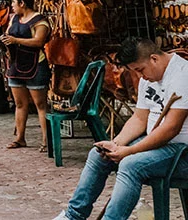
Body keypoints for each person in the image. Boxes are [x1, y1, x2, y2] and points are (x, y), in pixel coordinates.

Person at [51, 38, 188, 220]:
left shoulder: (182, 75)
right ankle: (73, 216)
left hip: (182, 152)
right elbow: (139, 118)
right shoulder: (148, 77)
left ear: (154, 59)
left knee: (130, 165)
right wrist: (116, 144)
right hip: (157, 145)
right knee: (98, 155)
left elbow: (171, 129)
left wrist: (130, 151)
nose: (140, 77)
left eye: (140, 70)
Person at [0, 0, 51, 151]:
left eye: (14, 2)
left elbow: (39, 41)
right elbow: (9, 34)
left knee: (40, 104)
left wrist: (16, 41)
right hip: (16, 64)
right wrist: (6, 41)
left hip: (35, 64)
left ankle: (47, 141)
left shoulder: (39, 21)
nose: (12, 6)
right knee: (20, 104)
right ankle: (20, 138)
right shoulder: (14, 18)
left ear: (22, 3)